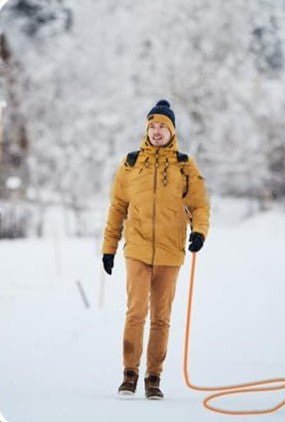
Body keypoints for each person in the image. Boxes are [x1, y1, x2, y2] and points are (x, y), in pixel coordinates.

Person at [101, 99, 210, 399]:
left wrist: (199, 232)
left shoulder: (185, 165)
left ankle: (153, 377)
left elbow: (199, 205)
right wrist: (109, 247)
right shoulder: (131, 163)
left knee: (161, 317)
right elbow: (117, 208)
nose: (157, 131)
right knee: (136, 311)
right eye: (153, 126)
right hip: (136, 248)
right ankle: (129, 373)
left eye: (163, 126)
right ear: (147, 129)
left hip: (170, 251)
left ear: (172, 131)